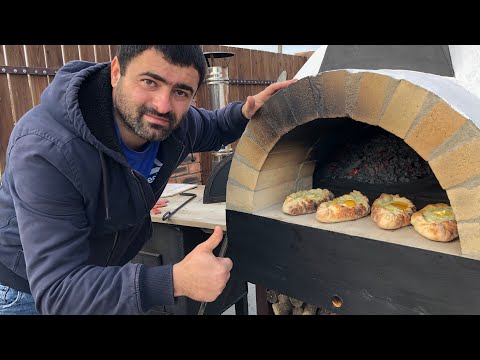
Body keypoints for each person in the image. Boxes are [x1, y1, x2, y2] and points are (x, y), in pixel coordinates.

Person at [0, 45, 296, 315]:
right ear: (116, 72)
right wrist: (174, 280)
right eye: (149, 82)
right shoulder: (46, 149)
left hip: (101, 272)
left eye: (181, 91)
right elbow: (58, 292)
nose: (163, 105)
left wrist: (247, 111)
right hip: (27, 291)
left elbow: (216, 125)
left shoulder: (176, 126)